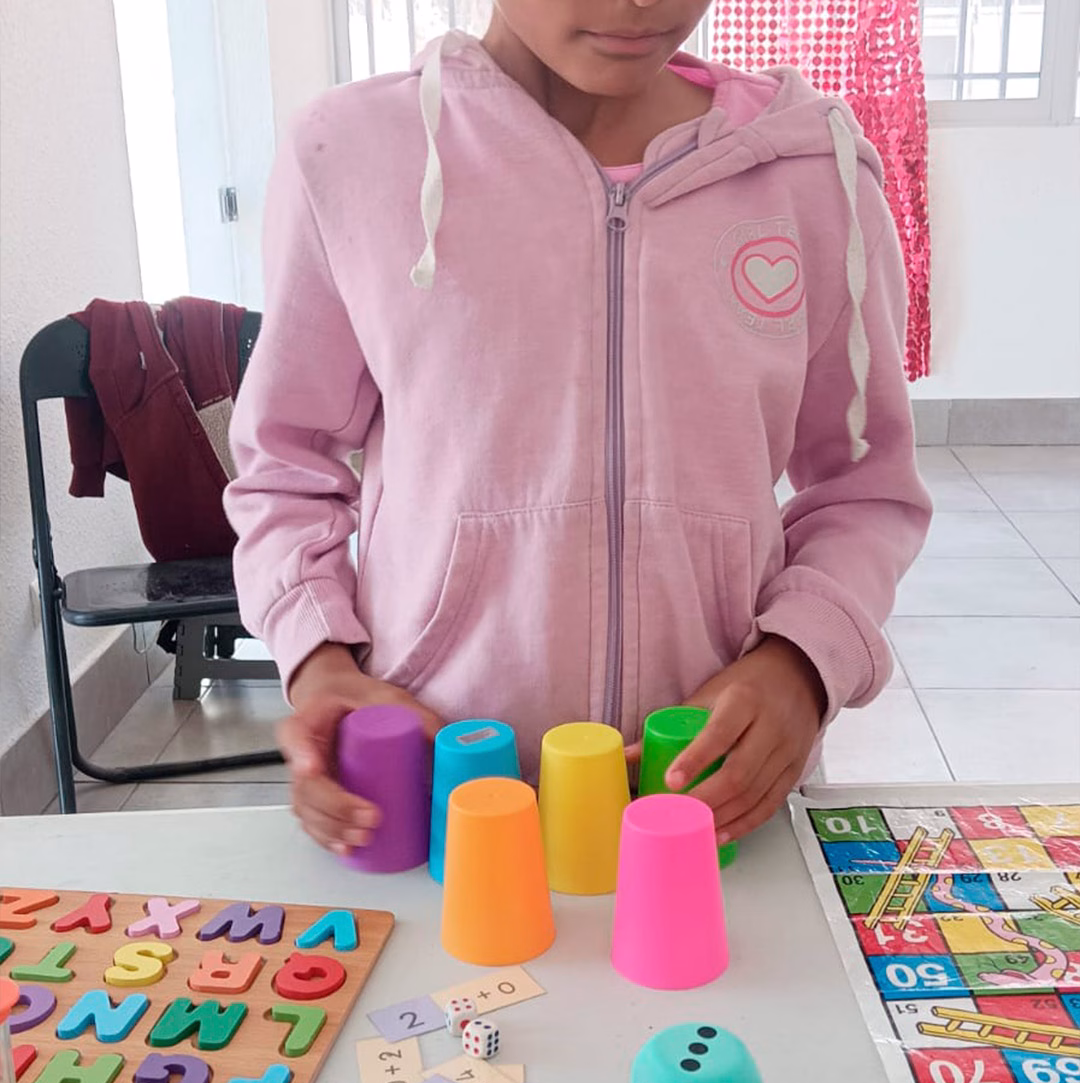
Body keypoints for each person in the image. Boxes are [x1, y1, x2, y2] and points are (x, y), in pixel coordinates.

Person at [225, 0, 932, 860]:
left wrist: (802, 661)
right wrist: (319, 659)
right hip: (439, 796)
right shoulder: (354, 155)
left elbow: (867, 488)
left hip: (715, 799)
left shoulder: (813, 175)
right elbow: (284, 464)